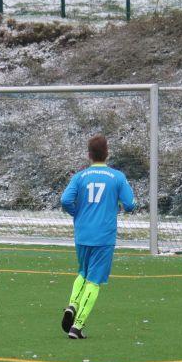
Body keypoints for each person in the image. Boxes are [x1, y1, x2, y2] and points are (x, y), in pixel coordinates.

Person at [59, 135, 136, 339]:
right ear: (107, 153)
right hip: (103, 236)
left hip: (82, 234)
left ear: (89, 155)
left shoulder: (80, 177)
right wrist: (120, 206)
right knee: (94, 281)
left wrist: (78, 214)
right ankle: (77, 326)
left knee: (83, 272)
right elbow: (130, 204)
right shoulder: (117, 177)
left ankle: (73, 305)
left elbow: (65, 200)